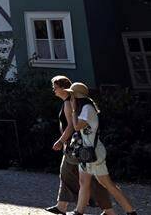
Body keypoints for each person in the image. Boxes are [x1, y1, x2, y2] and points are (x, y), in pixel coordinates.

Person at [67, 83, 138, 215]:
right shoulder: (83, 109)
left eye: (71, 95)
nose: (70, 98)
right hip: (86, 153)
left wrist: (72, 109)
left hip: (94, 152)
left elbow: (76, 126)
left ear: (76, 96)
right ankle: (79, 212)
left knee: (107, 184)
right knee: (84, 182)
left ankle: (130, 211)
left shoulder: (87, 109)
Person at [48, 76, 114, 214]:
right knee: (75, 175)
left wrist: (61, 141)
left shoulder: (69, 103)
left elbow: (72, 126)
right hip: (75, 145)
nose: (53, 89)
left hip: (76, 146)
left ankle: (106, 209)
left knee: (83, 177)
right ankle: (63, 206)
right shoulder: (71, 102)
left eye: (55, 87)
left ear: (62, 88)